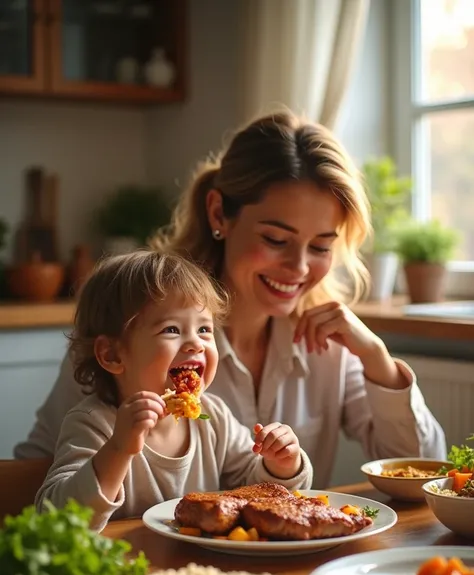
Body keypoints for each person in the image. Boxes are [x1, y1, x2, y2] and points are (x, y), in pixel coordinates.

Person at [18, 110, 446, 485]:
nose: (298, 269)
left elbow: (426, 471)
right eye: (276, 239)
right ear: (219, 213)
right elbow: (36, 472)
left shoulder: (329, 344)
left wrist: (376, 357)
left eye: (319, 247)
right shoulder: (131, 324)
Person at [35, 252, 312, 530]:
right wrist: (118, 449)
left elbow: (257, 492)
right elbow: (56, 516)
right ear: (112, 355)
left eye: (204, 328)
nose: (195, 343)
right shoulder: (94, 423)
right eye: (171, 329)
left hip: (201, 568)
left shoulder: (213, 417)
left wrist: (282, 464)